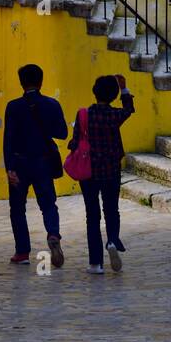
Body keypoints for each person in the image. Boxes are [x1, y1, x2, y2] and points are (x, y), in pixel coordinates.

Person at [68, 73, 134, 274]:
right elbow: (129, 109)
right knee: (111, 210)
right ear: (113, 95)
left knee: (92, 215)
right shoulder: (114, 116)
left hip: (88, 172)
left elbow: (75, 141)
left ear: (94, 93)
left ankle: (95, 264)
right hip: (111, 170)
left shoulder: (83, 115)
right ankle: (112, 241)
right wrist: (124, 88)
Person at [3, 63, 68, 267]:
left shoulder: (13, 107)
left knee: (17, 209)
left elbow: (8, 140)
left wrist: (9, 168)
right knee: (48, 204)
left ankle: (22, 252)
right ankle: (53, 233)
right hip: (43, 162)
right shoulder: (52, 104)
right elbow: (63, 133)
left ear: (21, 83)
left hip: (19, 162)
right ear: (41, 82)